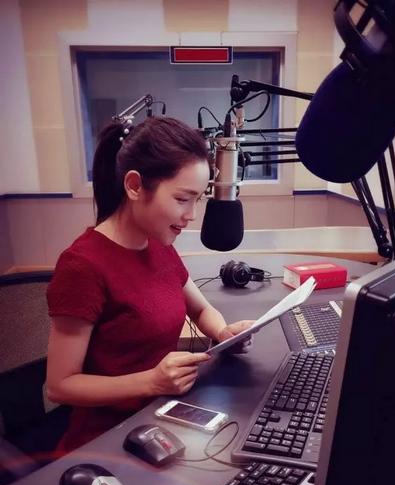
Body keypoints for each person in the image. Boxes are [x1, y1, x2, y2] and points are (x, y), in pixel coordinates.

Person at [46, 115, 254, 453]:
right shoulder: (81, 266)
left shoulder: (159, 244)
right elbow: (60, 386)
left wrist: (222, 333)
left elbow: (201, 309)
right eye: (182, 199)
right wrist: (152, 382)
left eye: (198, 200)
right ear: (134, 186)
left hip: (162, 418)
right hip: (107, 441)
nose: (192, 215)